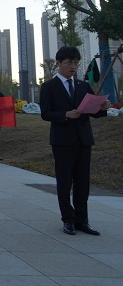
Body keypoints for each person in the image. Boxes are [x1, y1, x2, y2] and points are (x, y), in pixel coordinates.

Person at [40, 46, 111, 236]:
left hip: (83, 139)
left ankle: (82, 220)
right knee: (65, 182)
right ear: (58, 63)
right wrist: (65, 114)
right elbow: (45, 113)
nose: (73, 66)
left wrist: (103, 108)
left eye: (75, 63)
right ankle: (68, 220)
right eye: (68, 62)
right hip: (62, 141)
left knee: (83, 182)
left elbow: (93, 112)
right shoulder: (49, 87)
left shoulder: (82, 86)